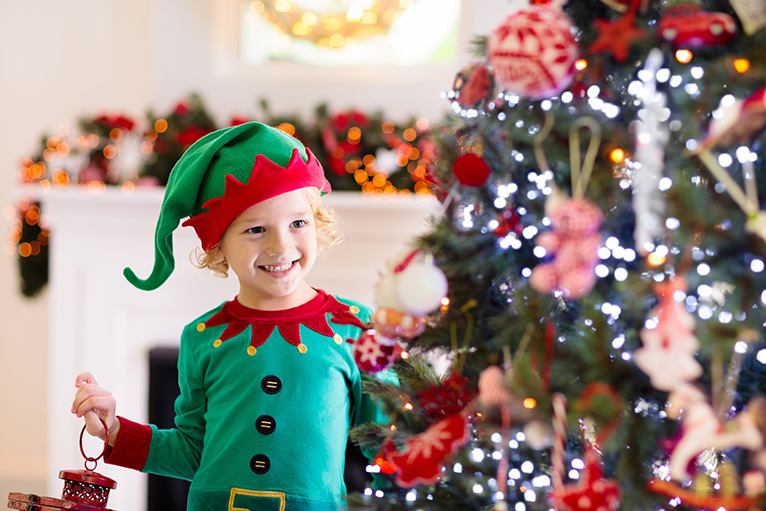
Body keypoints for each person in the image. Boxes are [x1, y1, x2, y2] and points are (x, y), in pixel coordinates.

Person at [71, 122, 393, 511]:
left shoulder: (358, 328)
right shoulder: (203, 337)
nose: (281, 245)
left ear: (317, 223)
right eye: (256, 229)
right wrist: (114, 431)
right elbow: (193, 452)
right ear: (218, 245)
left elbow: (391, 447)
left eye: (297, 223)